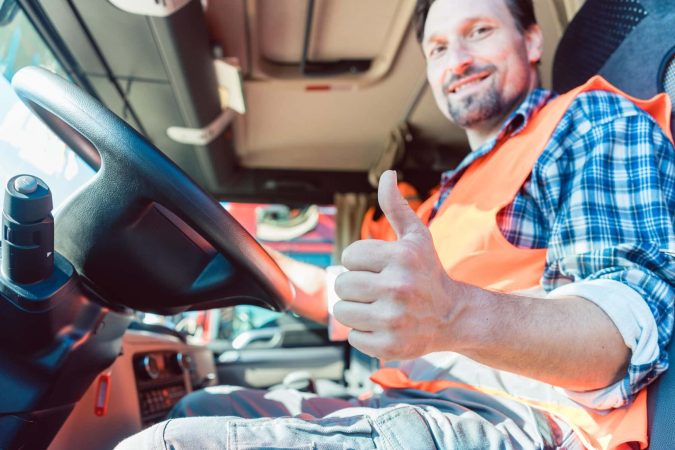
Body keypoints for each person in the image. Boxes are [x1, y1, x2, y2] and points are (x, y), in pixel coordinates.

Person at [117, 0, 675, 448]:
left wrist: (455, 313)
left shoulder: (589, 121)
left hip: (527, 422)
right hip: (408, 400)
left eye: (478, 31)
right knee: (199, 405)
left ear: (531, 41)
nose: (455, 59)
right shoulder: (441, 200)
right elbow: (340, 290)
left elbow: (626, 336)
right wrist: (223, 245)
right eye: (437, 47)